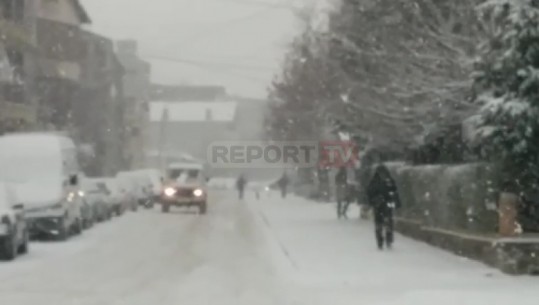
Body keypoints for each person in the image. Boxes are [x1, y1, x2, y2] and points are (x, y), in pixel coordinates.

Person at [366, 164, 401, 250]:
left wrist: (373, 201)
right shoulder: (387, 181)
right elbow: (394, 192)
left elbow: (369, 193)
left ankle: (382, 239)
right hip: (382, 204)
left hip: (380, 205)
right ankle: (385, 239)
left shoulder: (375, 181)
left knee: (381, 223)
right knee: (385, 222)